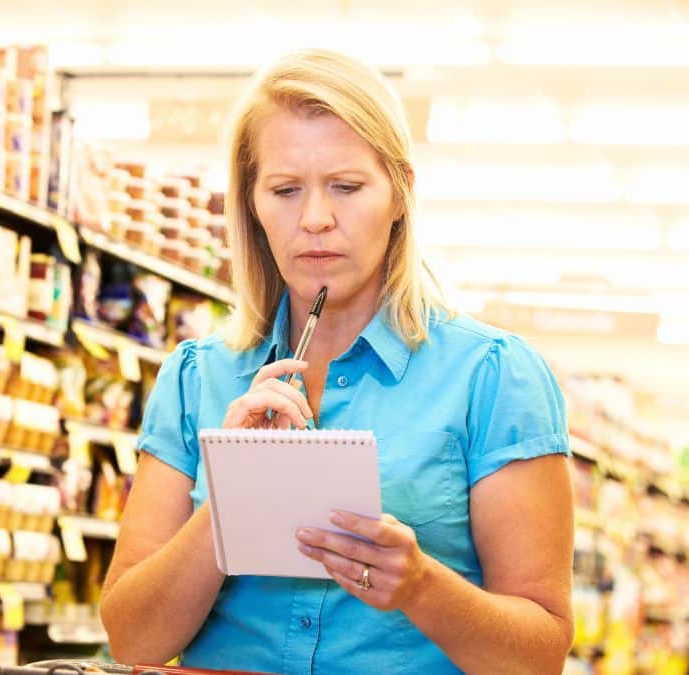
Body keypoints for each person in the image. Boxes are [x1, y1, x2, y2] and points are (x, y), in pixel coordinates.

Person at [100, 48, 574, 674]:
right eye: (286, 190)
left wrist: (421, 587)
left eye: (347, 188)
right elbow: (133, 642)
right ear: (251, 203)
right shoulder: (197, 378)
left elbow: (539, 656)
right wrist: (236, 496)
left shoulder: (493, 377)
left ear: (401, 192)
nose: (316, 219)